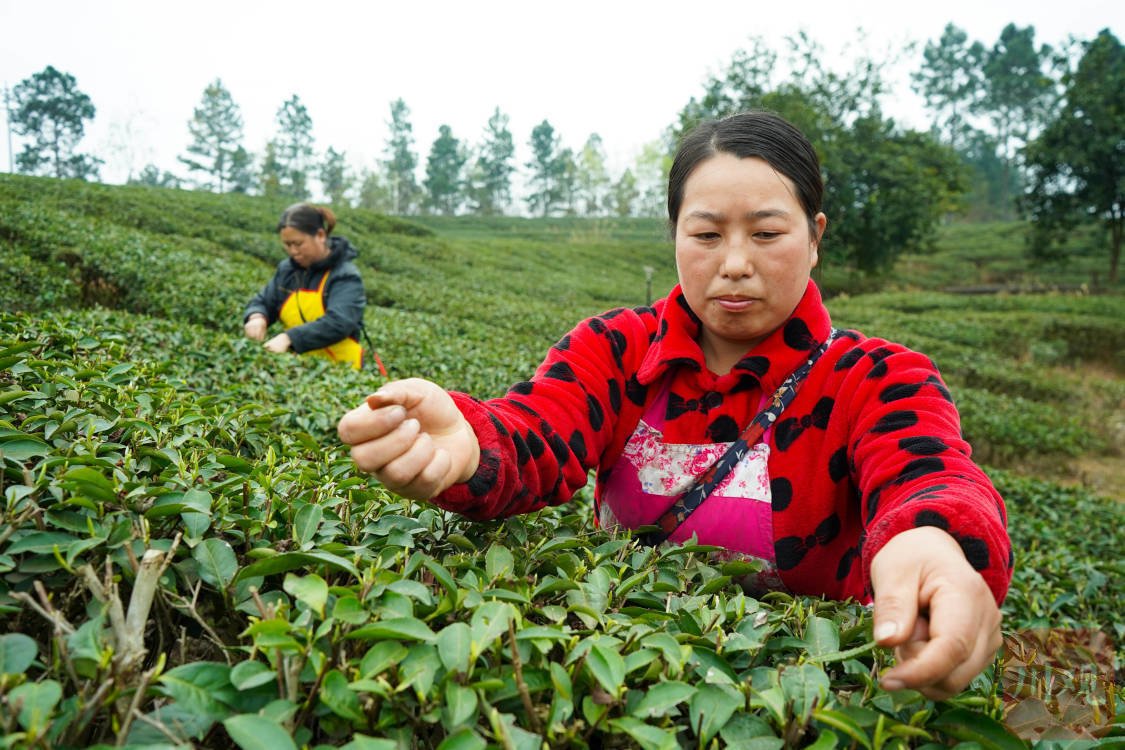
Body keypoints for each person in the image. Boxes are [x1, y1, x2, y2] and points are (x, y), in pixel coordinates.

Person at [337, 111, 1010, 700]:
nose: (735, 263)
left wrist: (932, 540)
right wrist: (471, 446)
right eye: (707, 234)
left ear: (815, 234)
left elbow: (925, 469)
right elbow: (542, 428)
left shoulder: (873, 376)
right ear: (674, 234)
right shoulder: (615, 349)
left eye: (768, 234)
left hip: (801, 704)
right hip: (619, 686)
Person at [243, 203, 384, 373]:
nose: (293, 251)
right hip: (299, 369)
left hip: (341, 372)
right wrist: (257, 316)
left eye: (298, 243)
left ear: (320, 235)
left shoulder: (344, 275)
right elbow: (265, 300)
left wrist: (290, 338)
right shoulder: (287, 270)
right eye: (287, 245)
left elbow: (339, 322)